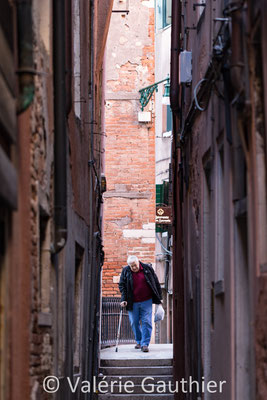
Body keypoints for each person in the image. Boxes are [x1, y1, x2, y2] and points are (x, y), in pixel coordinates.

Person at [119, 255, 163, 352]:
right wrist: (123, 299)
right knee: (134, 322)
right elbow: (122, 285)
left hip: (146, 300)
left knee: (147, 321)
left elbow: (155, 282)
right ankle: (139, 341)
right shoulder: (126, 271)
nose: (134, 268)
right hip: (132, 301)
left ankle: (144, 344)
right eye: (131, 266)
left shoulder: (147, 268)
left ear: (138, 262)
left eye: (135, 265)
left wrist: (160, 297)